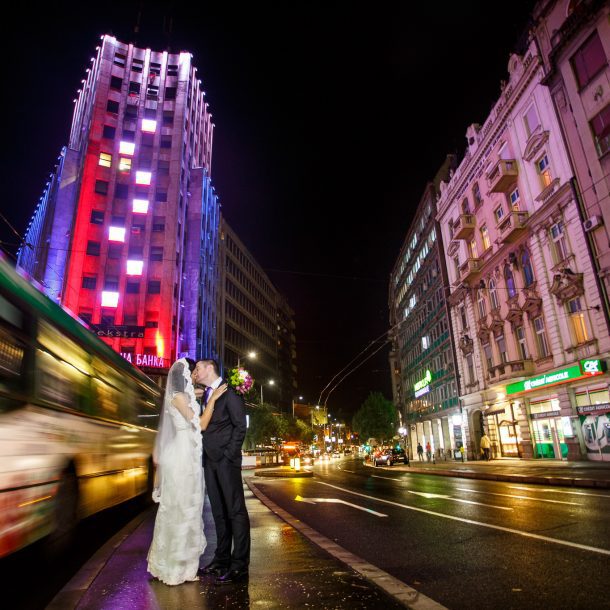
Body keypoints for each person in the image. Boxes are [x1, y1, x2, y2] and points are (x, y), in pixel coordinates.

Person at [147, 358, 226, 585]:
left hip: (187, 455)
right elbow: (200, 424)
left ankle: (185, 566)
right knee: (180, 508)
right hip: (181, 457)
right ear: (184, 375)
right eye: (193, 373)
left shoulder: (184, 396)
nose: (195, 376)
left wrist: (201, 395)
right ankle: (174, 568)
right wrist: (213, 402)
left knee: (189, 508)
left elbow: (193, 399)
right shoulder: (178, 397)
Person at [194, 359, 251, 585]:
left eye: (198, 368)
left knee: (235, 512)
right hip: (209, 460)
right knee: (219, 512)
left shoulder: (231, 391)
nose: (195, 372)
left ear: (209, 369)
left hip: (226, 461)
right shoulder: (208, 393)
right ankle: (221, 560)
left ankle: (240, 566)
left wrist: (229, 454)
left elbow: (240, 426)